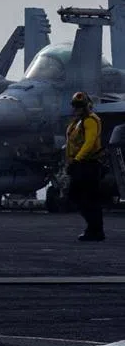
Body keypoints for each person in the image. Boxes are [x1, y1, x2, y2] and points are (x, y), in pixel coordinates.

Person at [65, 91, 104, 241]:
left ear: (86, 106)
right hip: (79, 164)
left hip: (88, 165)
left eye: (79, 107)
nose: (76, 109)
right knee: (79, 197)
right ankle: (93, 228)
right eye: (75, 106)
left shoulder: (90, 121)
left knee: (88, 198)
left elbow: (89, 142)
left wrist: (77, 159)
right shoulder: (78, 122)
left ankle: (95, 230)